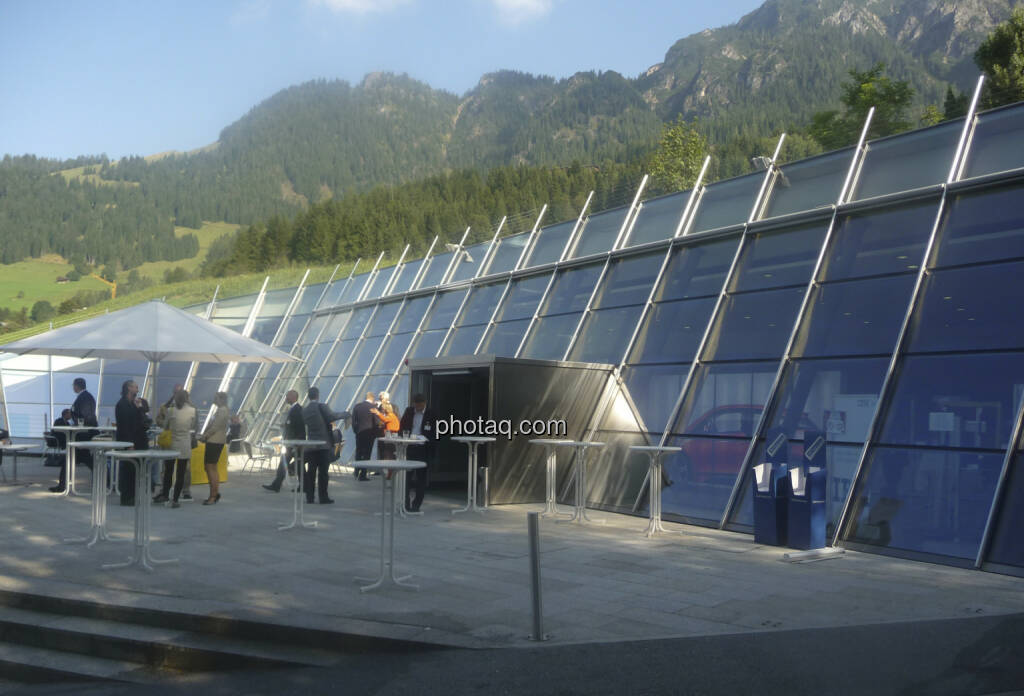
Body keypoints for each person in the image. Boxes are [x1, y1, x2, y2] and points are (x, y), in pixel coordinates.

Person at [51, 377, 98, 493]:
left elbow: (84, 415)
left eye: (73, 385)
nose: (73, 387)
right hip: (82, 435)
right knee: (84, 459)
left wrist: (76, 421)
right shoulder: (85, 397)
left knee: (71, 458)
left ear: (77, 386)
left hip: (82, 435)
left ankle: (62, 486)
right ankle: (63, 485)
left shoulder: (85, 398)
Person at [302, 387, 348, 504]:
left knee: (311, 472)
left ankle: (310, 497)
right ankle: (323, 497)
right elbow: (332, 417)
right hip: (324, 446)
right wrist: (346, 414)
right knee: (323, 473)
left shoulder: (305, 410)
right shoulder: (322, 406)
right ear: (317, 395)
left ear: (308, 396)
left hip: (312, 445)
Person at [154, 389, 196, 508]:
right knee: (181, 472)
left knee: (168, 471)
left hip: (172, 444)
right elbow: (194, 426)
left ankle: (166, 495)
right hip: (185, 444)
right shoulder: (192, 411)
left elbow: (166, 425)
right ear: (187, 399)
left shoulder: (171, 411)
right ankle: (176, 498)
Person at [114, 380, 150, 506]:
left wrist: (139, 407)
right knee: (129, 469)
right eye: (135, 387)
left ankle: (132, 496)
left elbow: (144, 417)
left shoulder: (134, 403)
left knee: (135, 469)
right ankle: (127, 497)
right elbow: (124, 426)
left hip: (138, 440)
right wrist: (129, 443)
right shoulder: (122, 404)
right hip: (130, 441)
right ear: (129, 388)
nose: (137, 389)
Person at [399, 393, 436, 512]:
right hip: (409, 447)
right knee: (407, 477)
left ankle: (416, 505)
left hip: (422, 449)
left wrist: (427, 440)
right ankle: (405, 504)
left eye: (420, 406)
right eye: (416, 406)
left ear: (424, 404)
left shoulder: (431, 413)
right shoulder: (409, 411)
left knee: (421, 478)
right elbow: (402, 426)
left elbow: (435, 431)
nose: (418, 408)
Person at [263, 390, 304, 493]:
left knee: (290, 464)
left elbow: (300, 427)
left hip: (294, 443)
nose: (286, 398)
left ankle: (277, 485)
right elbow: (293, 425)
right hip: (291, 443)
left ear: (293, 397)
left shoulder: (297, 409)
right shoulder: (293, 409)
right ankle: (277, 485)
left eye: (287, 396)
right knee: (294, 465)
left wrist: (298, 443)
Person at [200, 391, 230, 505]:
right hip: (216, 441)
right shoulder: (222, 410)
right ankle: (214, 494)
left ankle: (213, 496)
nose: (213, 399)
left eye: (215, 398)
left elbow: (215, 426)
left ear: (221, 399)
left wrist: (205, 436)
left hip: (214, 441)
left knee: (210, 467)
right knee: (211, 467)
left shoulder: (222, 410)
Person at [351, 391, 378, 481]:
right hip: (369, 434)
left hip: (359, 433)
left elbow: (353, 421)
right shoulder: (373, 408)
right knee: (367, 454)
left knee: (358, 452)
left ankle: (356, 470)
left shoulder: (357, 406)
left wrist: (356, 431)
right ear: (372, 398)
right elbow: (376, 422)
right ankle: (362, 475)